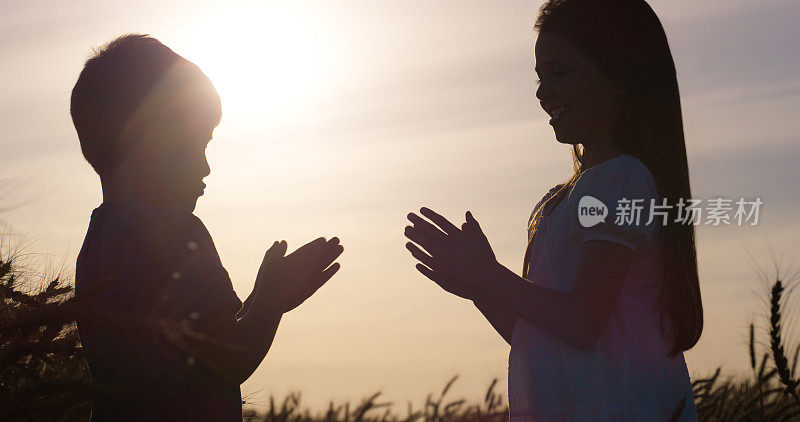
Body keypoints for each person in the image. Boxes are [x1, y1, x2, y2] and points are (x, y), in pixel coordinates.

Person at [403, 0, 702, 420]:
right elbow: (542, 341)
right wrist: (480, 291)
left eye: (559, 73)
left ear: (619, 77)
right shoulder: (564, 199)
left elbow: (582, 321)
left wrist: (488, 275)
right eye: (540, 78)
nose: (542, 92)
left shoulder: (621, 180)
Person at [70, 34, 344, 421]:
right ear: (152, 139)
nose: (205, 167)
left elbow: (190, 347)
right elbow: (226, 359)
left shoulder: (98, 243)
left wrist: (259, 298)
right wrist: (273, 301)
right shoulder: (176, 232)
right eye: (196, 144)